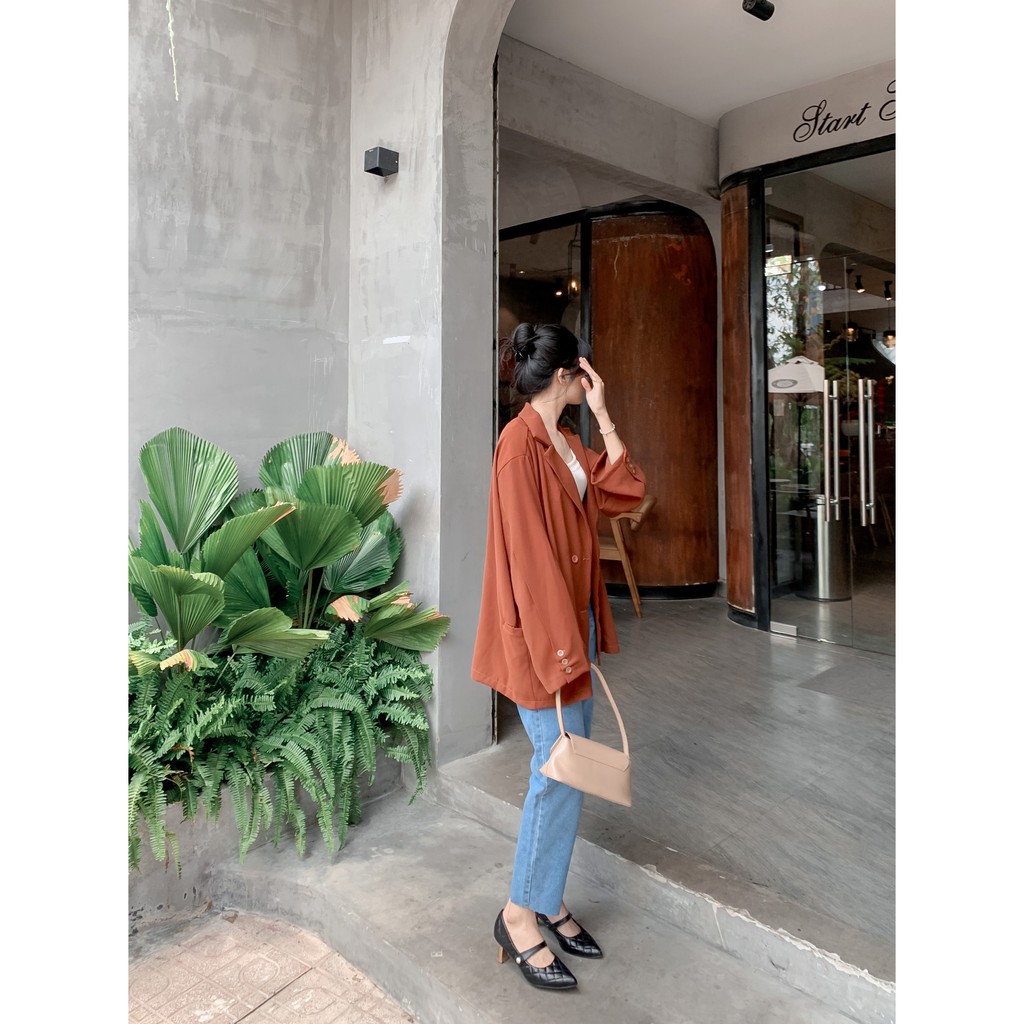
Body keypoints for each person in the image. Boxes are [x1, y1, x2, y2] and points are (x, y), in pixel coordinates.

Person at [471, 322, 646, 991]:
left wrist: (603, 413)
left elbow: (624, 491)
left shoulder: (565, 440)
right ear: (567, 373)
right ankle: (519, 915)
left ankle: (544, 898)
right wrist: (562, 653)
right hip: (543, 638)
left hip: (573, 628)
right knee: (557, 771)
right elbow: (529, 564)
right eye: (585, 374)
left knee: (568, 769)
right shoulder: (518, 446)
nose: (589, 381)